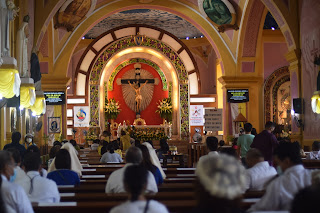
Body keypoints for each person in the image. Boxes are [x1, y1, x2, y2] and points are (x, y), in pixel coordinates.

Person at [248, 142, 313, 211]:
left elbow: (261, 208)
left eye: (278, 163)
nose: (278, 167)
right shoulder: (314, 176)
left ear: (287, 161)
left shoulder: (278, 184)